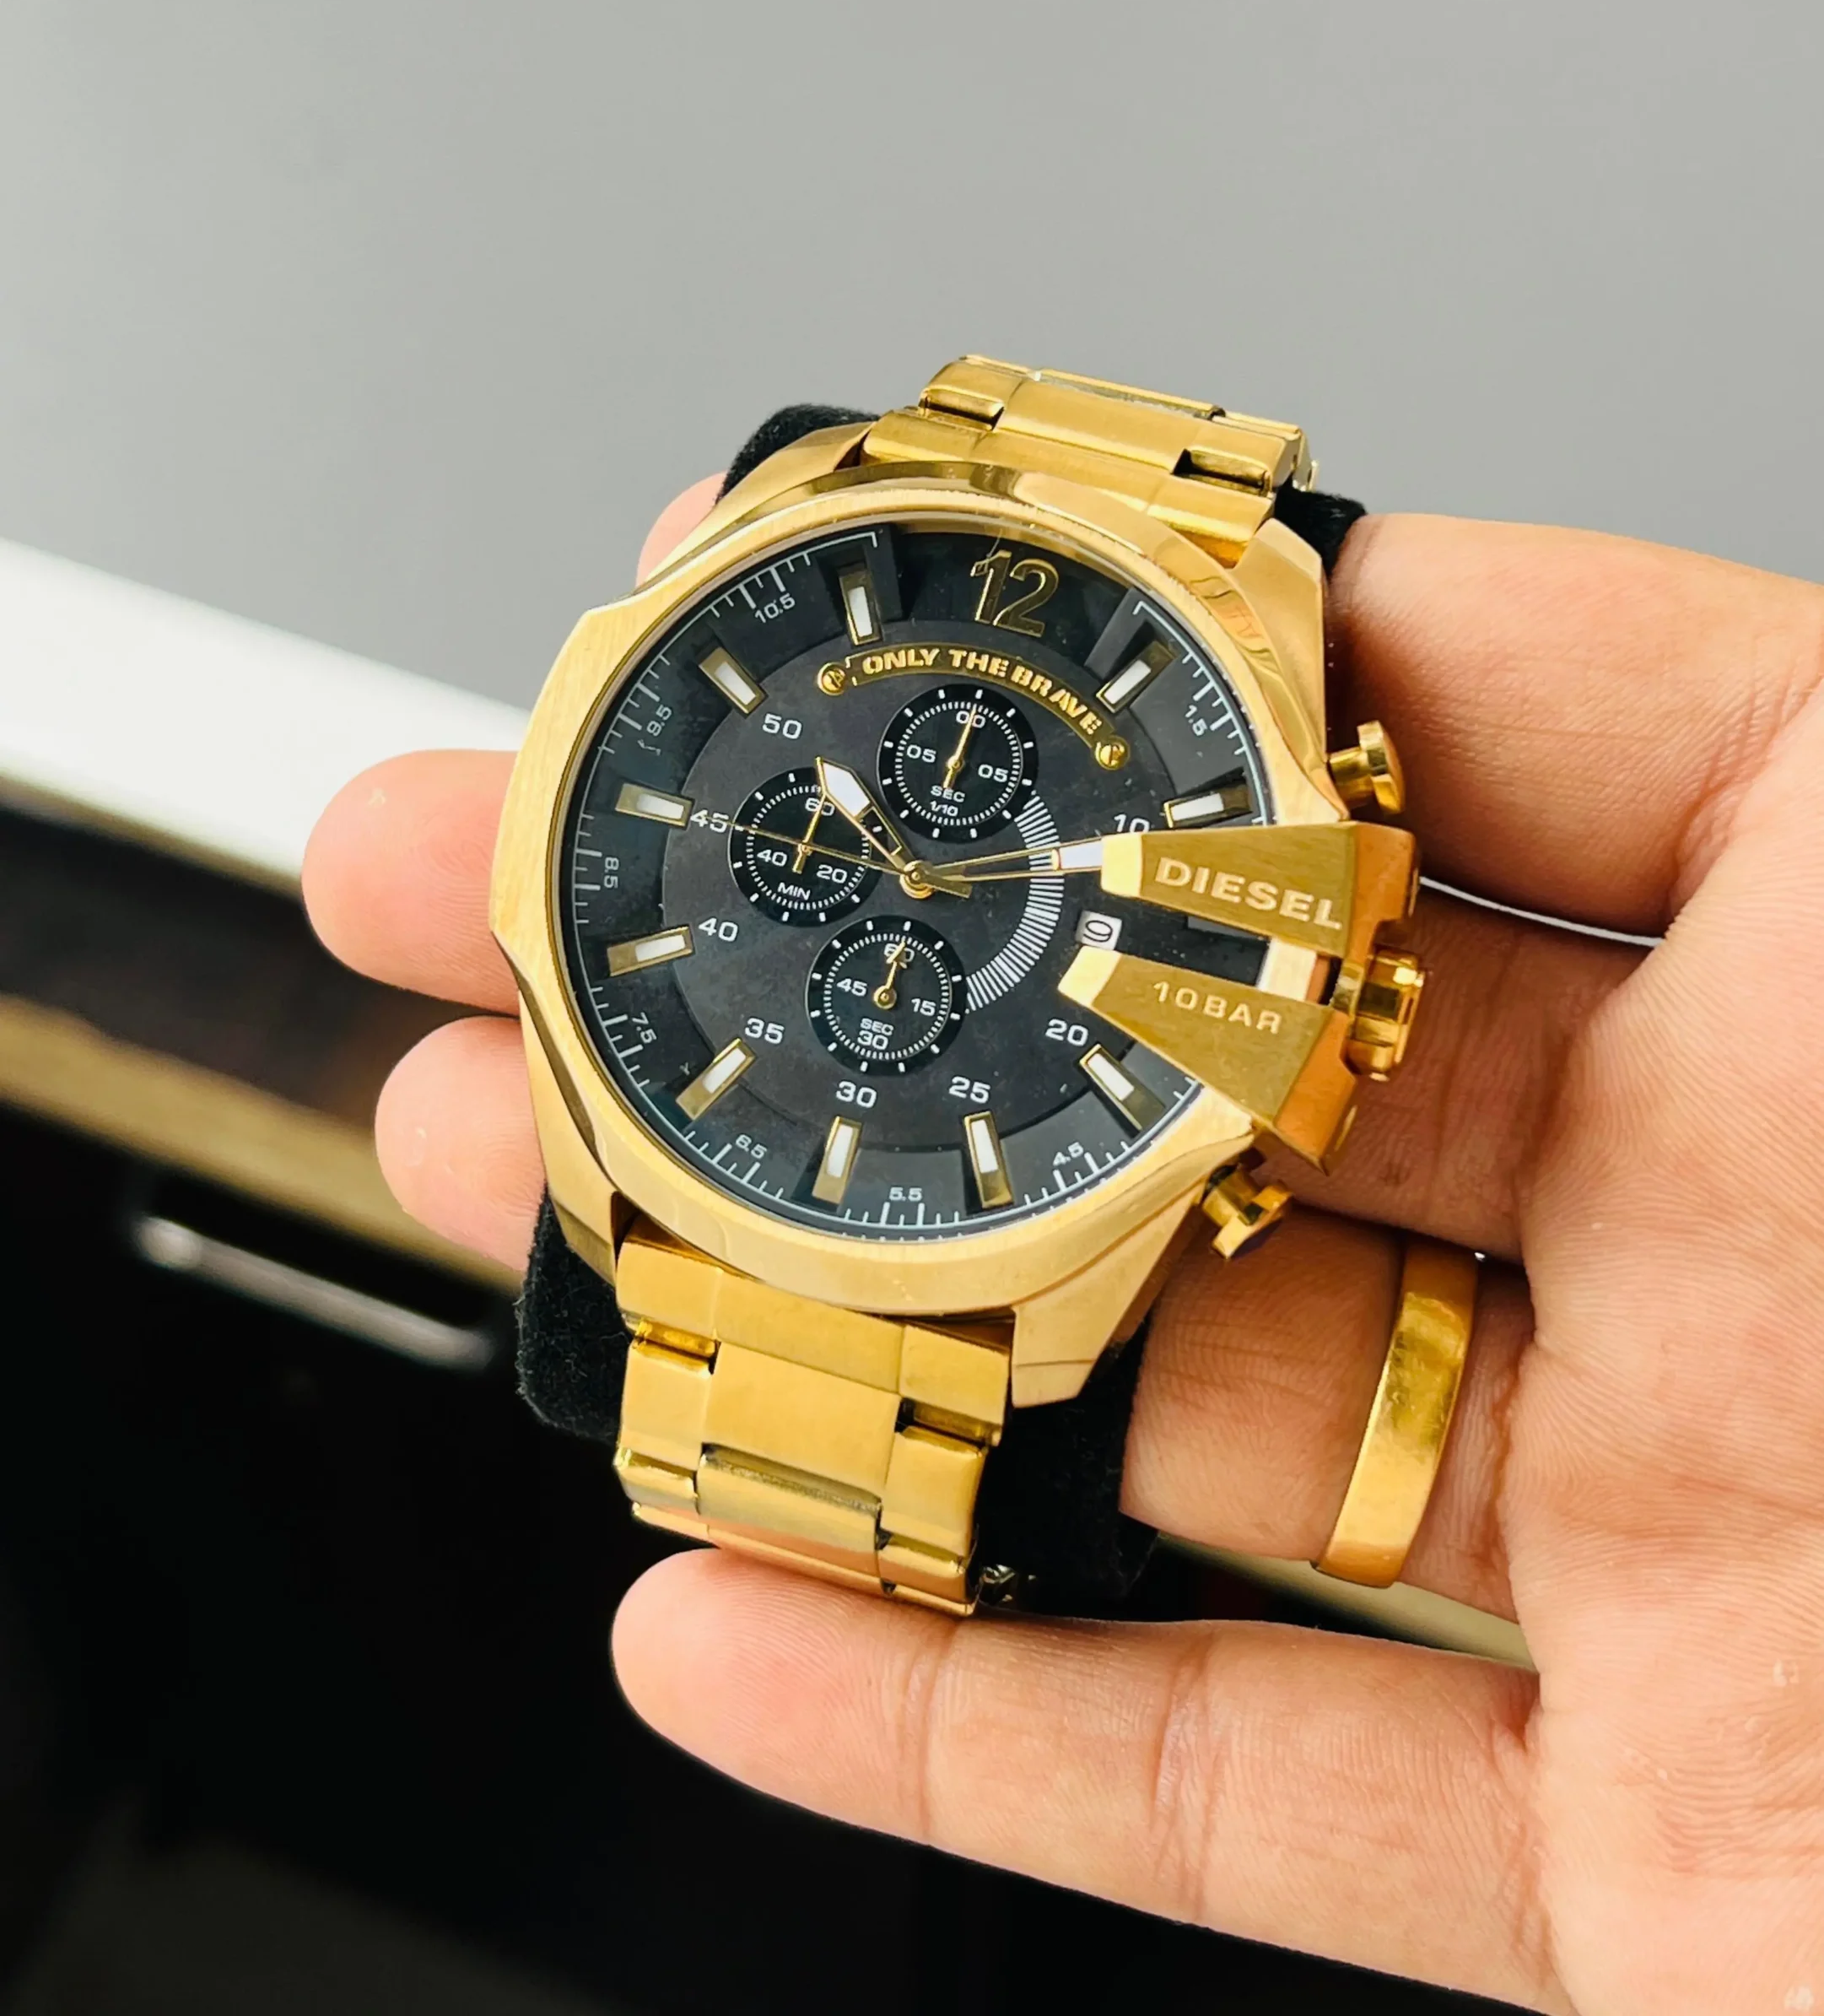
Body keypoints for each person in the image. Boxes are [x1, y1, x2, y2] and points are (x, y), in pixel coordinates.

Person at [304, 473, 1824, 2013]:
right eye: (879, 858)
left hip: (995, 1226)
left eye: (932, 877)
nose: (912, 884)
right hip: (683, 1167)